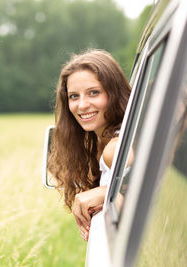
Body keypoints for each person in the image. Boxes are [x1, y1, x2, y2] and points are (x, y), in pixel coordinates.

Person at [48, 49, 131, 241]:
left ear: (114, 93)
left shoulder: (116, 147)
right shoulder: (99, 144)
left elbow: (147, 201)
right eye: (74, 96)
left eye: (94, 93)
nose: (82, 105)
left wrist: (105, 192)